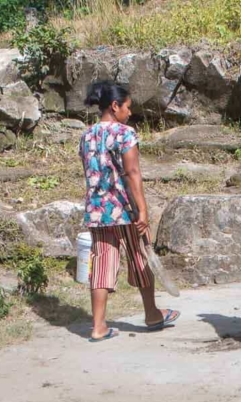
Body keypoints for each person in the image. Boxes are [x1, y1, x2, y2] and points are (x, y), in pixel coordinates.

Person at [79, 80, 180, 342]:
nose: (129, 112)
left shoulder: (87, 135)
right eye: (127, 107)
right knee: (140, 257)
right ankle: (152, 314)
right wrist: (143, 211)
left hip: (96, 210)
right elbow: (133, 173)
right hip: (123, 209)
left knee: (101, 264)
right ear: (115, 106)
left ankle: (98, 326)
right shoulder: (125, 133)